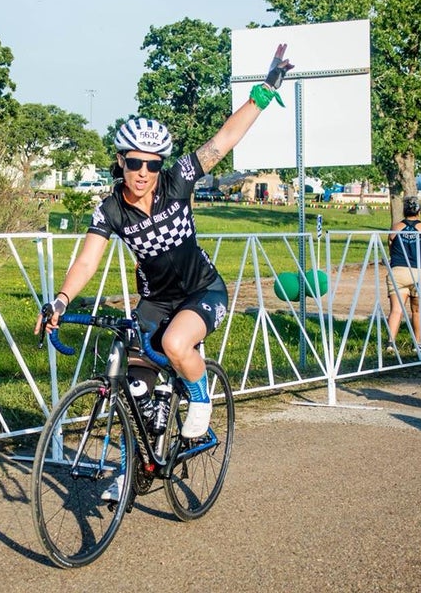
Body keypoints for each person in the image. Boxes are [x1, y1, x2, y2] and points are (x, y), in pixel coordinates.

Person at [35, 45, 293, 499]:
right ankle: (138, 464)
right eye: (135, 163)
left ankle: (199, 398)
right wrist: (60, 301)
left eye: (152, 165)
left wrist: (265, 89)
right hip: (155, 301)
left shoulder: (177, 183)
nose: (143, 173)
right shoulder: (111, 209)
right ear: (121, 161)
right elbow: (88, 259)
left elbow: (224, 140)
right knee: (133, 387)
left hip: (201, 291)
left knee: (176, 344)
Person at [385, 196, 421, 353]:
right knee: (417, 310)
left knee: (396, 310)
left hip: (398, 271)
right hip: (420, 273)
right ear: (419, 210)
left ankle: (390, 342)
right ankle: (418, 343)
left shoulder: (395, 228)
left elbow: (390, 247)